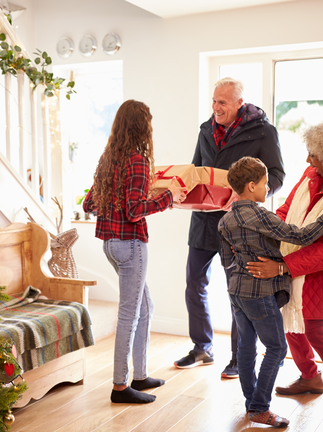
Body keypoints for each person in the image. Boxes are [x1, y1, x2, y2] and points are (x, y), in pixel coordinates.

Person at [219, 156, 323, 426]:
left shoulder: (225, 220)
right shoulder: (262, 216)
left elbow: (227, 260)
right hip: (259, 293)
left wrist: (245, 261)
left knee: (246, 347)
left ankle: (251, 403)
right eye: (264, 184)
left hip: (236, 291)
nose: (267, 188)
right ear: (250, 186)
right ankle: (259, 408)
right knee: (277, 348)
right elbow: (301, 236)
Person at [246, 117, 323, 400]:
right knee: (288, 315)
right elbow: (287, 209)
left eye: (313, 155)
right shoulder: (311, 174)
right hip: (299, 262)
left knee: (315, 328)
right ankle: (309, 377)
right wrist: (267, 231)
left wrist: (283, 266)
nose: (307, 159)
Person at [174, 77, 285, 379]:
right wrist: (182, 189)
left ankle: (239, 357)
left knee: (238, 292)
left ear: (239, 103)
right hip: (203, 222)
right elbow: (195, 170)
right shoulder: (205, 130)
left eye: (222, 102)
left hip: (239, 224)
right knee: (194, 284)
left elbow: (276, 174)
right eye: (213, 101)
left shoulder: (264, 131)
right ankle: (201, 347)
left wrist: (247, 192)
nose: (215, 107)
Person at [82, 100, 187, 404]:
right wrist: (168, 196)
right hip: (130, 245)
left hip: (109, 245)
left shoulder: (107, 159)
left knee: (146, 306)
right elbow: (134, 210)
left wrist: (121, 198)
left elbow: (89, 204)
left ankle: (139, 375)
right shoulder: (137, 161)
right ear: (143, 126)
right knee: (130, 313)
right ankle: (119, 387)